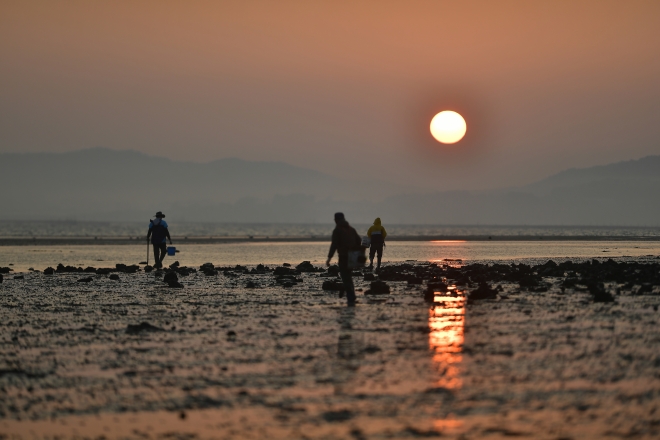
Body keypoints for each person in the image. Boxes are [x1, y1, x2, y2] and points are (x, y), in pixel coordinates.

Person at [326, 212, 361, 306]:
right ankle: (349, 294)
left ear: (336, 220)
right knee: (348, 277)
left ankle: (350, 297)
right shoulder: (352, 229)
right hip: (353, 256)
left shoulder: (337, 230)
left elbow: (334, 245)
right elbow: (359, 241)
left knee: (346, 277)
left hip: (344, 257)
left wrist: (329, 258)